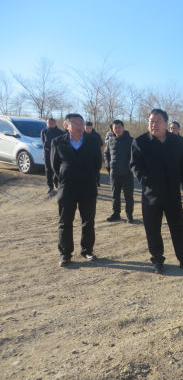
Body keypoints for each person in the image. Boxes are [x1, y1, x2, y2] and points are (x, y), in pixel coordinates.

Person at [130, 108, 183, 274]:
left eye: (157, 121)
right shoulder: (140, 142)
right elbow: (134, 165)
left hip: (172, 193)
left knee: (178, 228)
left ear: (165, 123)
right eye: (151, 121)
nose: (154, 124)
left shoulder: (177, 142)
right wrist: (145, 180)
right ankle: (157, 260)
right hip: (151, 193)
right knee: (153, 229)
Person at [50, 113, 102, 267]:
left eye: (81, 123)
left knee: (88, 221)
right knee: (65, 221)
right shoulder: (58, 142)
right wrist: (64, 177)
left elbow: (98, 163)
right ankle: (65, 254)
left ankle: (87, 250)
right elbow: (54, 165)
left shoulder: (93, 141)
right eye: (76, 123)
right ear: (67, 126)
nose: (80, 126)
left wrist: (89, 176)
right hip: (67, 187)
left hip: (88, 187)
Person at [104, 119, 134, 223]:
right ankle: (116, 214)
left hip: (127, 173)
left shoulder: (131, 141)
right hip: (114, 173)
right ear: (112, 129)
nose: (117, 129)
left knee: (128, 196)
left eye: (119, 127)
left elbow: (135, 156)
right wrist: (108, 165)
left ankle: (129, 214)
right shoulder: (110, 141)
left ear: (123, 128)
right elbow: (106, 154)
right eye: (115, 127)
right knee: (115, 195)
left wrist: (131, 166)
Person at [40, 117, 64, 195]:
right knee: (48, 170)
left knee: (57, 169)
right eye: (49, 123)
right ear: (47, 123)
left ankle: (57, 182)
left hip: (57, 154)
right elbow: (43, 142)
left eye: (52, 123)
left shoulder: (60, 132)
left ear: (55, 123)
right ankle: (50, 187)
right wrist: (46, 151)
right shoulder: (44, 131)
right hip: (47, 153)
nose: (50, 125)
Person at [169, 121, 183, 197]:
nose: (172, 130)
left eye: (174, 128)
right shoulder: (164, 139)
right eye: (171, 128)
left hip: (177, 173)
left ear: (179, 129)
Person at [85, 121, 104, 186]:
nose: (88, 129)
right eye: (86, 128)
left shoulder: (96, 135)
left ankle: (97, 181)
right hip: (85, 155)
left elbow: (101, 143)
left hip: (95, 155)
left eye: (89, 128)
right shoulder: (81, 134)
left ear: (91, 127)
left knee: (96, 169)